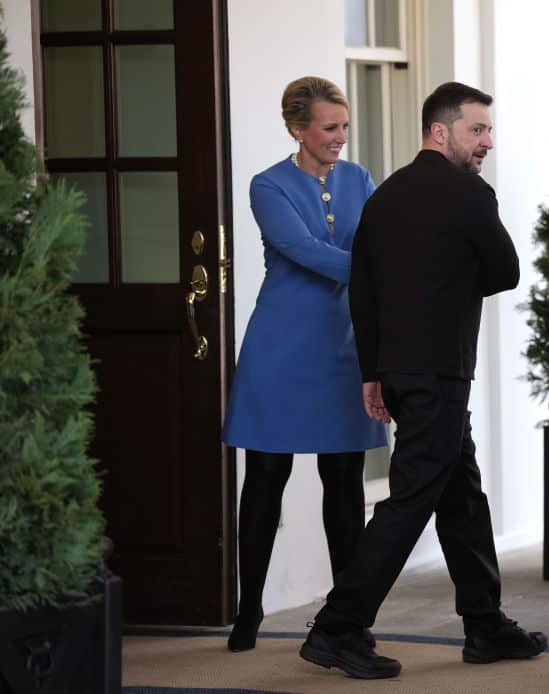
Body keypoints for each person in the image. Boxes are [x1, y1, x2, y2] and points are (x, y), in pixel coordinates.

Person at [298, 81, 548, 679]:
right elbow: (506, 271)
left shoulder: (384, 197)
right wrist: (453, 279)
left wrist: (372, 372)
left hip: (398, 370)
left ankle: (485, 625)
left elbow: (363, 291)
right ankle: (337, 627)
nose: (487, 142)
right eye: (476, 130)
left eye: (488, 130)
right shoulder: (470, 194)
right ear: (441, 131)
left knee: (462, 495)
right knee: (410, 501)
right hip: (441, 371)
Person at [221, 76, 386, 653]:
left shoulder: (359, 179)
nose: (341, 137)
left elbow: (376, 244)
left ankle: (346, 617)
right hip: (281, 350)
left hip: (344, 348)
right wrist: (379, 274)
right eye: (330, 127)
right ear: (297, 129)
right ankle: (249, 609)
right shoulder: (268, 185)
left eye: (345, 126)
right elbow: (303, 251)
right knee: (265, 480)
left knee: (344, 485)